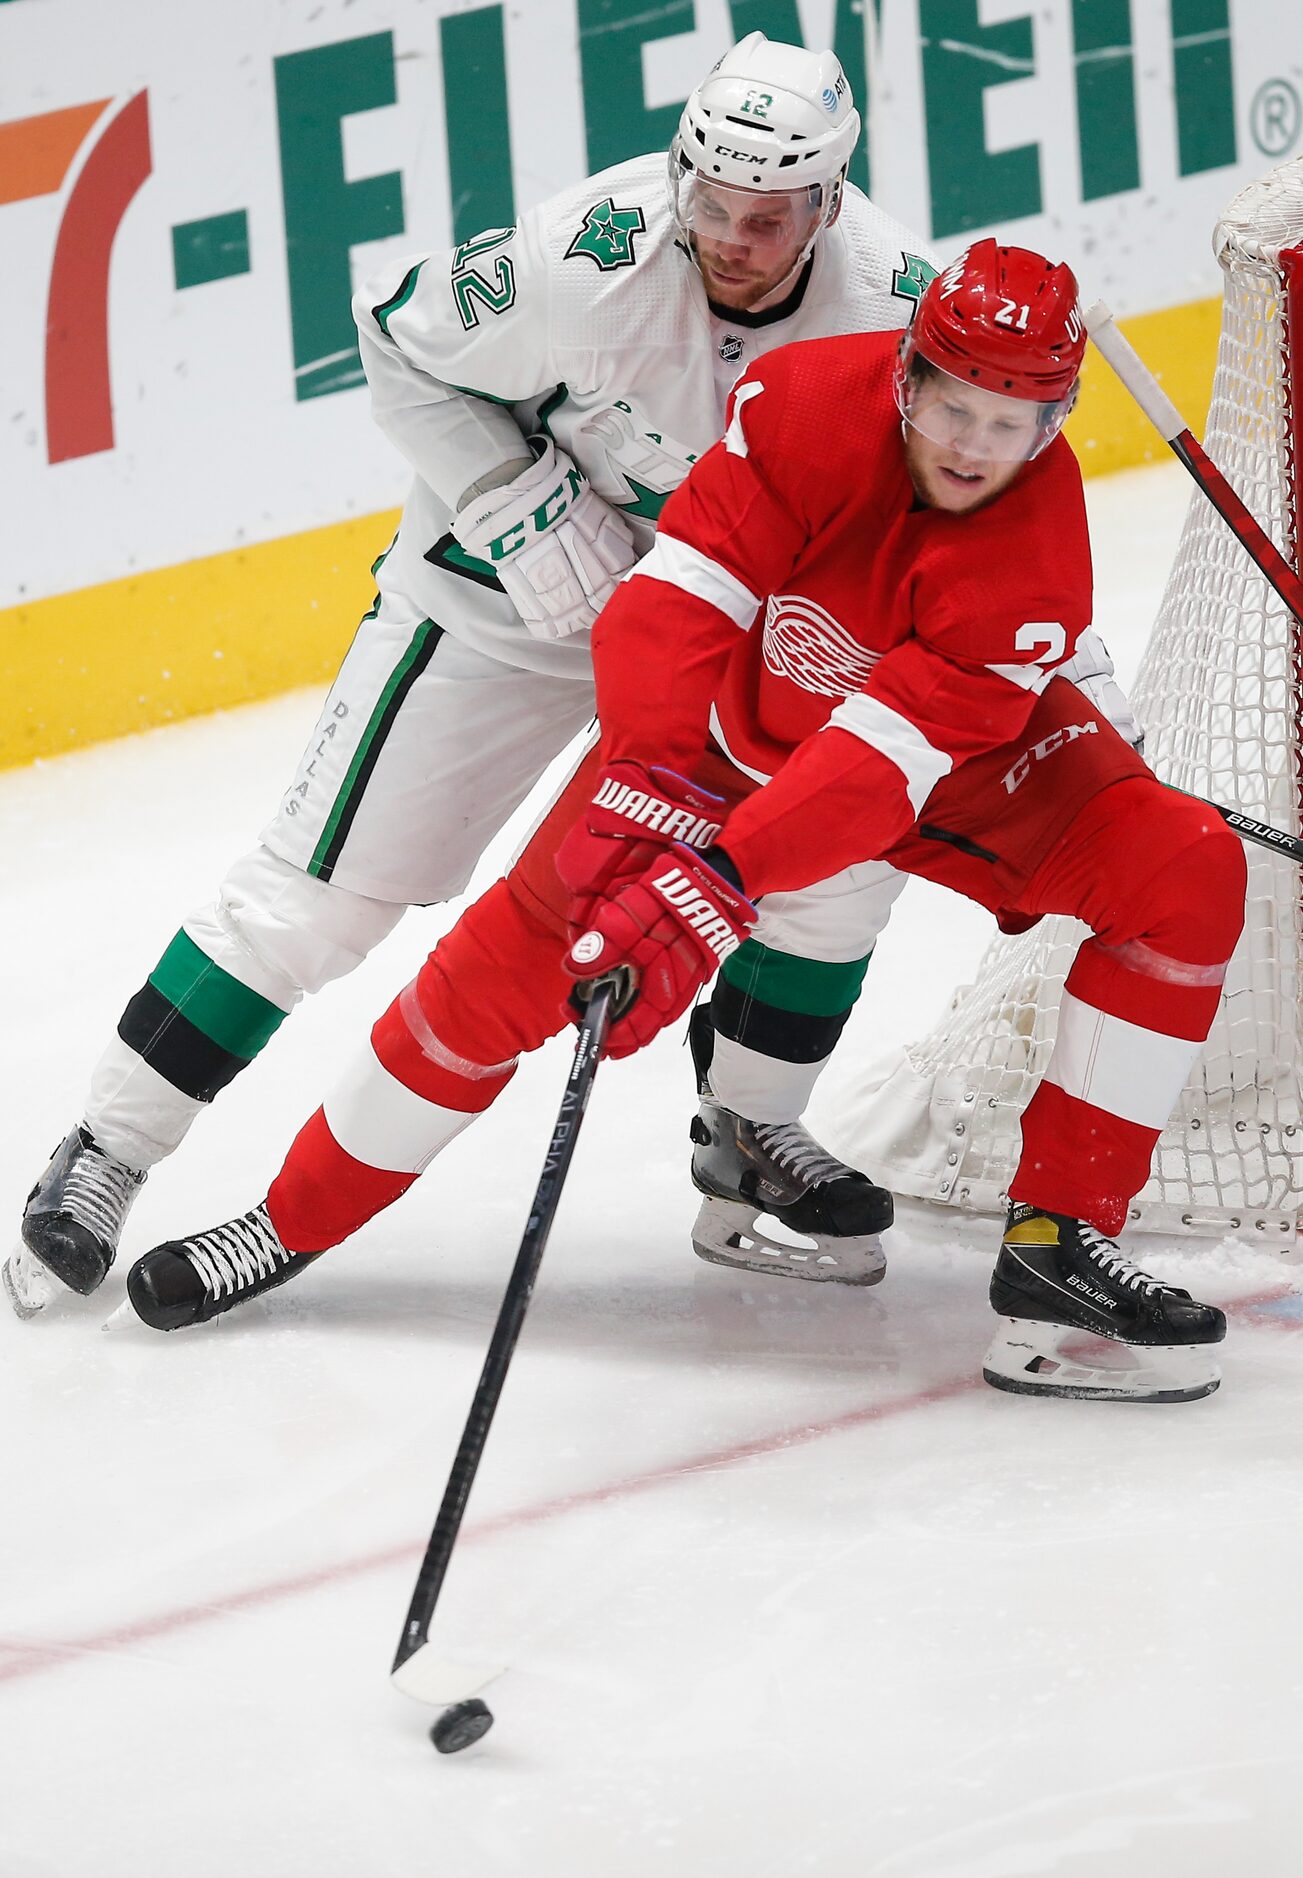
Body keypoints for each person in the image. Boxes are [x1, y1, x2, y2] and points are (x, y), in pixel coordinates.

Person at [123, 241, 1244, 1404]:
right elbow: (676, 599)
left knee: (1183, 870)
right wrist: (645, 786)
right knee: (504, 973)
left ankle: (1057, 1248)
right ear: (907, 375)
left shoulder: (1035, 565)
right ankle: (284, 1222)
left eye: (1007, 423)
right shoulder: (802, 403)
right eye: (951, 404)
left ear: (1055, 422)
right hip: (714, 741)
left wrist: (718, 876)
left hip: (948, 772)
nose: (970, 443)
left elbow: (876, 769)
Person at [8, 32, 964, 1318]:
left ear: (830, 199)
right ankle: (107, 1151)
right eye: (711, 200)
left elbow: (970, 481)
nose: (733, 235)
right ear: (679, 166)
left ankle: (747, 1129)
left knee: (828, 875)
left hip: (728, 632)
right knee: (321, 897)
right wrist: (509, 493)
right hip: (506, 602)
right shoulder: (587, 258)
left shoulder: (896, 303)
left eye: (770, 213)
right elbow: (395, 335)